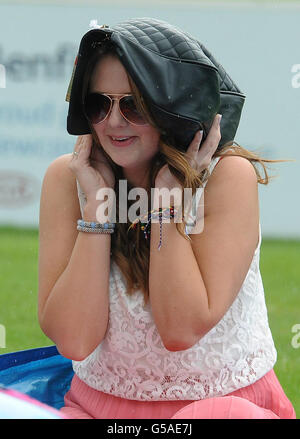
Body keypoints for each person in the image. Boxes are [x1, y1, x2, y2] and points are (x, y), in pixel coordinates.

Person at [37, 18, 296, 419]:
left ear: (173, 107)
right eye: (98, 104)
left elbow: (181, 330)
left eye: (133, 104)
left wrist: (166, 204)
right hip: (95, 408)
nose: (113, 121)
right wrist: (98, 206)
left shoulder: (227, 177)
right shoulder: (68, 178)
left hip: (220, 409)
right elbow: (74, 340)